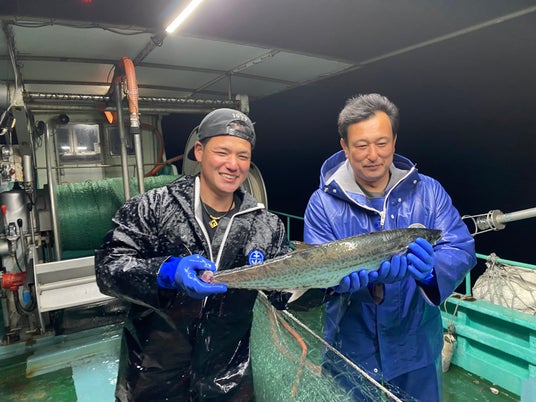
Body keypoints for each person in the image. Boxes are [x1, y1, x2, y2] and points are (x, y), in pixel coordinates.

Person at [95, 108, 292, 402]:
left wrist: (329, 284)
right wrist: (165, 272)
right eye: (222, 152)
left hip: (227, 382)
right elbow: (108, 268)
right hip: (152, 378)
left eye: (243, 156)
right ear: (199, 151)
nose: (233, 165)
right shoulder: (153, 207)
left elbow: (286, 290)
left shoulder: (266, 225)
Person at [302, 93, 476, 401]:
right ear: (344, 146)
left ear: (394, 141)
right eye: (361, 145)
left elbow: (460, 247)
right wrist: (339, 285)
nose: (373, 155)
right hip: (349, 348)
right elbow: (315, 274)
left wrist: (431, 272)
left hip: (416, 346)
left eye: (381, 143)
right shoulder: (322, 204)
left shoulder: (429, 191)